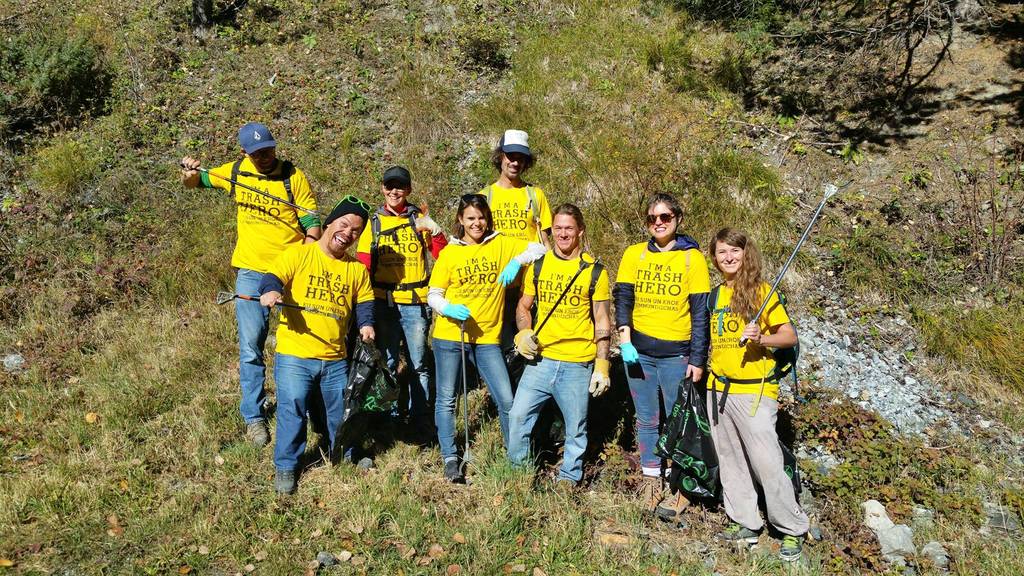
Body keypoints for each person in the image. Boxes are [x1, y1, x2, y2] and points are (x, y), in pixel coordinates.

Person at [180, 122, 321, 448]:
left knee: (301, 345)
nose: (265, 156)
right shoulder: (236, 172)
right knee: (250, 348)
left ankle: (305, 407)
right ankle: (254, 417)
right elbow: (197, 180)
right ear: (244, 153)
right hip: (252, 272)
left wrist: (309, 249)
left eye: (269, 149)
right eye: (257, 153)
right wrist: (188, 171)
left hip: (291, 270)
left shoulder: (292, 175)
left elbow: (311, 219)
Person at [256, 196, 375, 494]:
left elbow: (364, 302)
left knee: (340, 412)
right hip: (295, 355)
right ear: (329, 222)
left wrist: (366, 323)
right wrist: (271, 292)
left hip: (336, 357)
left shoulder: (356, 269)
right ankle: (286, 467)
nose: (348, 233)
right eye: (344, 224)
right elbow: (273, 277)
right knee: (292, 409)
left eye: (355, 232)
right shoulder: (300, 254)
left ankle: (345, 456)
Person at [427, 194, 546, 482]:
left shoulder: (500, 243)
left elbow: (540, 248)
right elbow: (433, 294)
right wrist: (447, 308)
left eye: (481, 217)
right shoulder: (451, 254)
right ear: (460, 221)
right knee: (446, 399)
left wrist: (516, 262)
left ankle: (514, 456)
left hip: (487, 338)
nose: (476, 223)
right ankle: (450, 458)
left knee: (506, 399)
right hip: (450, 334)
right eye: (470, 218)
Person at [707, 228, 808, 562]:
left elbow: (789, 336)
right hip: (718, 389)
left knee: (767, 463)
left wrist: (761, 339)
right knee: (731, 462)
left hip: (755, 392)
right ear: (715, 257)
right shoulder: (714, 296)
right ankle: (745, 522)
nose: (728, 258)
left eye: (734, 251)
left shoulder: (762, 292)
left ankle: (791, 528)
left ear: (745, 253)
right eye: (722, 252)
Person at [613, 192, 710, 516]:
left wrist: (697, 358)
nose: (658, 223)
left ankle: (681, 484)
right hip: (638, 354)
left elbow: (700, 313)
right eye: (652, 218)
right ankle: (651, 477)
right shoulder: (634, 254)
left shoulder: (691, 258)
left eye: (665, 217)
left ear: (677, 219)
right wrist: (623, 335)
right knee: (647, 418)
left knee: (678, 421)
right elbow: (623, 297)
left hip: (676, 357)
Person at [507, 204, 612, 487]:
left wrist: (602, 365)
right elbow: (523, 306)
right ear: (551, 230)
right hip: (541, 360)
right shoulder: (539, 266)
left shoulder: (595, 272)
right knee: (518, 417)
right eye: (557, 228)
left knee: (576, 428)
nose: (563, 234)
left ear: (580, 231)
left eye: (568, 228)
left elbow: (602, 320)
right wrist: (523, 332)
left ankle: (568, 480)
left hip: (577, 363)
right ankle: (517, 474)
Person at [355, 166, 447, 438]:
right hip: (384, 303)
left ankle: (420, 416)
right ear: (382, 188)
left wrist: (436, 231)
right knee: (388, 361)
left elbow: (443, 257)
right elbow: (363, 266)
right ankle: (389, 418)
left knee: (419, 362)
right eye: (389, 186)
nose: (394, 191)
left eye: (400, 187)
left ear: (408, 190)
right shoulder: (373, 223)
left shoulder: (420, 220)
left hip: (416, 303)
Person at [479, 129, 553, 351]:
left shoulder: (535, 195)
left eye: (521, 158)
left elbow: (544, 238)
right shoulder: (485, 196)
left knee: (529, 339)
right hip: (498, 281)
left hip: (529, 282)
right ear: (500, 156)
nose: (515, 162)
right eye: (510, 156)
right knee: (498, 340)